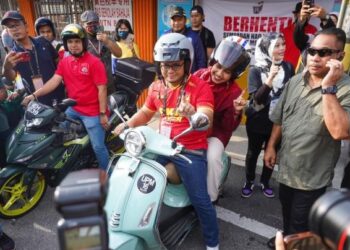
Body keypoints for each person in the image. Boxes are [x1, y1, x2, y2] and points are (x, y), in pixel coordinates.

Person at [113, 33, 219, 250]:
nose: (169, 70)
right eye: (164, 65)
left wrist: (192, 115)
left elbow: (206, 118)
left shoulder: (199, 87)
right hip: (161, 145)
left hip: (190, 150)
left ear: (186, 64)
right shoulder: (156, 87)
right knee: (133, 176)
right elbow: (144, 113)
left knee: (201, 200)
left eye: (176, 65)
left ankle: (212, 243)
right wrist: (126, 126)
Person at [264, 27, 350, 244]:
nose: (315, 58)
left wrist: (328, 87)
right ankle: (286, 241)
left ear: (340, 56)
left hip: (312, 179)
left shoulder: (345, 88)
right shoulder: (295, 81)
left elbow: (341, 131)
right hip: (287, 171)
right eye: (312, 51)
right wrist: (271, 146)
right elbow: (280, 118)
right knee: (287, 219)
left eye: (324, 53)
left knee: (300, 227)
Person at [22, 23, 110, 171]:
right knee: (57, 135)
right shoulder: (65, 62)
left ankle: (107, 172)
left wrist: (102, 114)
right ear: (65, 44)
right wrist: (34, 95)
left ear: (84, 42)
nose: (73, 45)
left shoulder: (94, 63)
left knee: (98, 146)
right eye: (70, 42)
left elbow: (102, 89)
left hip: (92, 111)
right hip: (73, 108)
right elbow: (54, 81)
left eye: (77, 41)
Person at [194, 35, 250, 202]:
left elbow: (227, 127)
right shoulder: (198, 75)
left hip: (215, 133)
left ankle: (211, 198)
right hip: (192, 126)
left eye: (227, 71)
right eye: (218, 67)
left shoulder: (234, 93)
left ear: (234, 75)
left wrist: (235, 111)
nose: (219, 73)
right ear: (213, 62)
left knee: (211, 158)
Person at [242, 33, 294, 199]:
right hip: (257, 121)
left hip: (277, 123)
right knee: (253, 153)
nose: (282, 48)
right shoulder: (255, 70)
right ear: (266, 48)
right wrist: (270, 77)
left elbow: (290, 94)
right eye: (277, 45)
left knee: (272, 152)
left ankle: (265, 181)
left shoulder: (288, 67)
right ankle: (249, 180)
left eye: (283, 44)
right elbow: (257, 99)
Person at [1, 10, 65, 106]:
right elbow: (12, 77)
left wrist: (66, 83)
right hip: (36, 101)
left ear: (26, 26)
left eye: (17, 24)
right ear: (8, 32)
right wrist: (6, 68)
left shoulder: (43, 41)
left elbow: (58, 62)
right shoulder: (13, 55)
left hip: (57, 92)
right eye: (10, 27)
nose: (14, 29)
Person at [81, 10, 122, 94]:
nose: (92, 26)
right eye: (89, 23)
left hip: (109, 84)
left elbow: (119, 53)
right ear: (84, 25)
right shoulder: (81, 41)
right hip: (92, 86)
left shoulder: (105, 37)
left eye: (95, 23)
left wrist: (107, 42)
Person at [165, 6, 206, 73]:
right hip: (170, 77)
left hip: (190, 79)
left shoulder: (194, 37)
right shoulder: (165, 36)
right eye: (174, 20)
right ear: (170, 21)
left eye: (179, 20)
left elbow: (201, 60)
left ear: (185, 20)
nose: (176, 23)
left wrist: (199, 77)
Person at [281, 2, 317, 70]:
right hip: (286, 68)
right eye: (304, 13)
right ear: (296, 14)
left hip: (304, 68)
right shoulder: (285, 31)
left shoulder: (313, 30)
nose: (306, 16)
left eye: (309, 14)